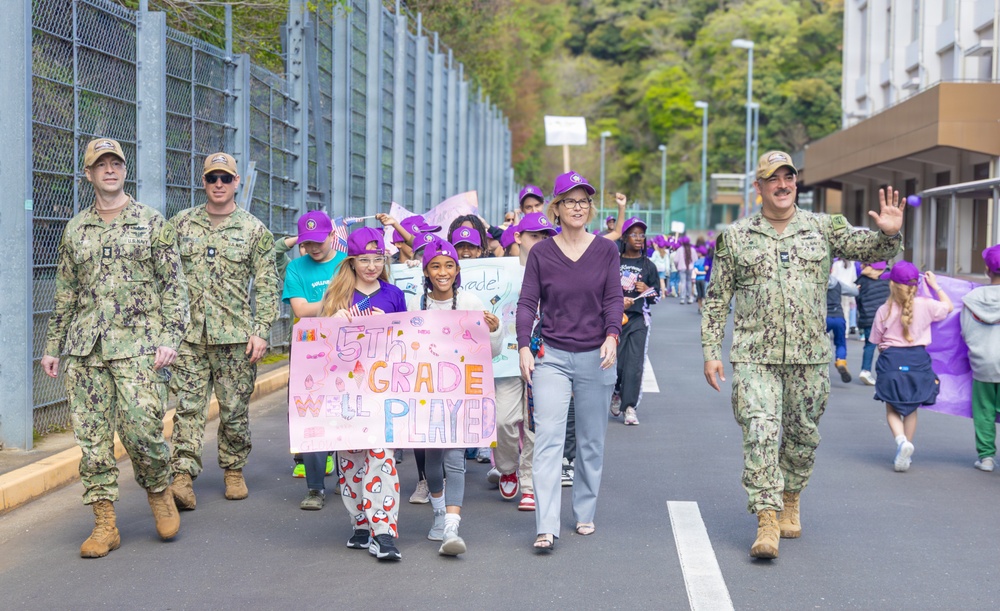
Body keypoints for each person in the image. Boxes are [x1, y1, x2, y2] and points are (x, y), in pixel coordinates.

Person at [701, 150, 904, 559]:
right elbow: (717, 299)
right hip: (754, 355)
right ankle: (767, 518)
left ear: (796, 182)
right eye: (773, 179)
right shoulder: (737, 237)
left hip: (809, 357)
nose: (782, 184)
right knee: (760, 431)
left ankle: (791, 496)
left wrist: (888, 234)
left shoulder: (823, 227)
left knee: (801, 439)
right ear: (758, 187)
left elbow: (873, 251)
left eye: (788, 177)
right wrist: (711, 351)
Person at [41, 138, 190, 557]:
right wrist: (54, 346)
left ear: (125, 170)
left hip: (140, 346)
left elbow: (175, 288)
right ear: (88, 174)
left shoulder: (151, 221)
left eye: (116, 163)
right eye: (100, 165)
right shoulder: (76, 229)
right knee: (92, 441)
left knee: (143, 429)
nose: (109, 170)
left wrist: (168, 338)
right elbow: (66, 293)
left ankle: (159, 488)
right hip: (86, 350)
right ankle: (105, 523)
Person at [517, 170, 623, 551]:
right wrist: (523, 346)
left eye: (583, 201)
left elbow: (613, 298)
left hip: (597, 355)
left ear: (590, 208)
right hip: (553, 356)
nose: (577, 207)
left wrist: (613, 335)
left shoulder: (607, 250)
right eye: (569, 201)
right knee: (548, 438)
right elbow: (528, 301)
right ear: (556, 209)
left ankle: (584, 511)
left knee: (592, 440)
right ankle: (545, 525)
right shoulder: (542, 253)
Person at [167, 153, 280, 510]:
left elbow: (266, 284)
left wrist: (261, 330)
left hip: (235, 338)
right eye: (212, 178)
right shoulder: (180, 225)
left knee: (234, 409)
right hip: (188, 336)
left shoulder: (254, 231)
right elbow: (163, 277)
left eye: (225, 178)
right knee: (187, 408)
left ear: (236, 183)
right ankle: (182, 475)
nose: (219, 184)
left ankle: (233, 468)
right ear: (203, 181)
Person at [409, 238, 503, 556]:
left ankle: (452, 527)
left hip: (461, 395)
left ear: (457, 269)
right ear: (426, 271)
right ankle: (438, 514)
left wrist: (493, 330)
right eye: (435, 265)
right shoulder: (415, 306)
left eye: (449, 265)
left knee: (455, 460)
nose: (443, 272)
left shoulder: (471, 301)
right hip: (426, 397)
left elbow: (491, 352)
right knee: (432, 463)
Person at [319, 225, 406, 561]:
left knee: (381, 457)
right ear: (352, 261)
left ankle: (383, 531)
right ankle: (361, 523)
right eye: (364, 259)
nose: (372, 266)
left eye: (378, 259)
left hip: (382, 390)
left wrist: (390, 326)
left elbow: (410, 342)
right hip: (346, 392)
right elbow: (319, 347)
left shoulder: (393, 294)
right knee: (351, 460)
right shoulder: (337, 294)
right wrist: (332, 322)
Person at [280, 210, 348, 509]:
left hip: (347, 346)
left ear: (333, 236)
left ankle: (348, 476)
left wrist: (321, 306)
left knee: (347, 409)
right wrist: (333, 303)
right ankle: (315, 487)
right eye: (308, 243)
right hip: (309, 348)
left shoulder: (347, 265)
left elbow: (365, 297)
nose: (314, 247)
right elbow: (301, 310)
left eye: (319, 240)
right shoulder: (296, 267)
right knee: (310, 412)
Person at [869, 261, 952, 472]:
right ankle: (906, 451)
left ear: (892, 285)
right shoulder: (927, 305)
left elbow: (875, 340)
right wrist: (935, 286)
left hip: (891, 360)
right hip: (918, 360)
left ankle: (901, 442)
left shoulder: (884, 310)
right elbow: (948, 307)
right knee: (912, 407)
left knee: (892, 405)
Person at [610, 218, 660, 426]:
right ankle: (616, 392)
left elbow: (656, 296)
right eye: (634, 234)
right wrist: (619, 301)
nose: (639, 238)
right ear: (624, 237)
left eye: (642, 234)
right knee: (617, 364)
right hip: (614, 319)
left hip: (639, 320)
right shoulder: (614, 262)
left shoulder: (648, 265)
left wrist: (646, 289)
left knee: (634, 365)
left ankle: (629, 407)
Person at [961, 245, 1000, 472]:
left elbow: (965, 332)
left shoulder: (972, 298)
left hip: (983, 362)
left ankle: (986, 458)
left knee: (984, 411)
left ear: (987, 270)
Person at [855, 262, 891, 385]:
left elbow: (858, 298)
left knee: (869, 345)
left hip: (868, 315)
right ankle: (887, 372)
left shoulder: (863, 278)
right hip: (886, 316)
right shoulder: (888, 276)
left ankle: (865, 370)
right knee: (887, 345)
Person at [826, 273, 859, 384]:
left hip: (823, 318)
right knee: (840, 343)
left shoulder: (817, 282)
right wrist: (856, 288)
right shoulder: (837, 283)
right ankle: (841, 361)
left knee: (818, 342)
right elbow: (854, 292)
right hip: (838, 317)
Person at [672, 236, 694, 304]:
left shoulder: (679, 249)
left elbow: (675, 260)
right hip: (690, 268)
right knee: (689, 282)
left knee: (683, 282)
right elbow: (695, 259)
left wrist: (676, 266)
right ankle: (690, 297)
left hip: (681, 268)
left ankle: (682, 298)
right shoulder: (692, 249)